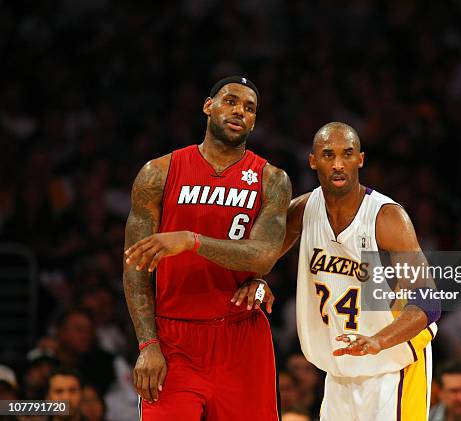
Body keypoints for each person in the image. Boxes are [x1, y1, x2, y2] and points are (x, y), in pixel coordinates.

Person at [234, 122, 439, 420]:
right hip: (340, 370)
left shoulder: (387, 217)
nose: (339, 164)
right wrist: (257, 280)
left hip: (392, 367)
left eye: (348, 154)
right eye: (328, 155)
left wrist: (378, 340)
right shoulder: (303, 210)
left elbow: (429, 304)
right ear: (313, 160)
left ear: (361, 159)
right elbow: (258, 258)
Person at [122, 76, 291, 420]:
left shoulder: (271, 179)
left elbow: (264, 255)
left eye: (249, 108)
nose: (239, 111)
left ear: (255, 121)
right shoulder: (158, 172)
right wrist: (147, 344)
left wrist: (191, 240)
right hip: (174, 339)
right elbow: (134, 265)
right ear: (208, 105)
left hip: (241, 337)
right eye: (230, 101)